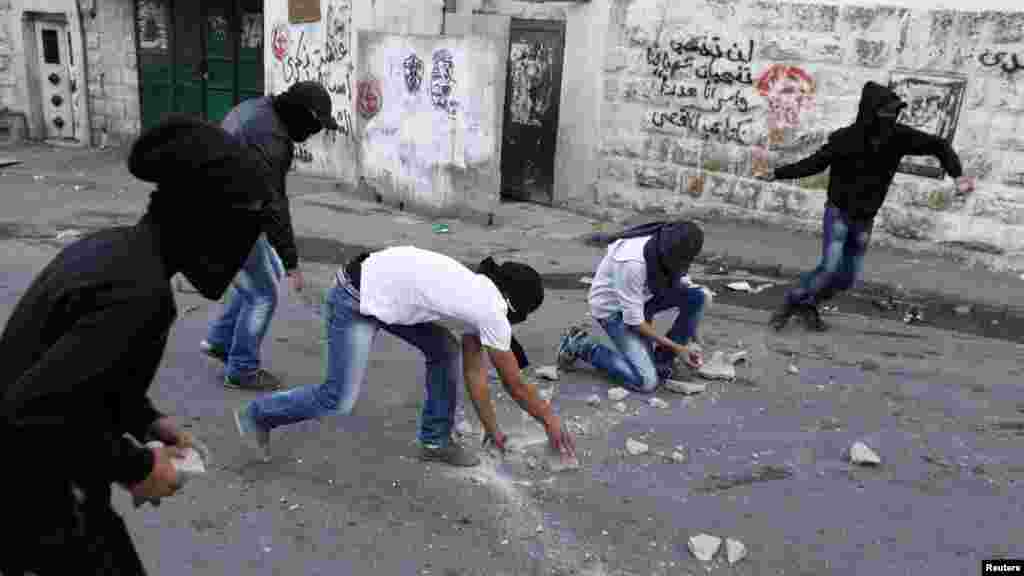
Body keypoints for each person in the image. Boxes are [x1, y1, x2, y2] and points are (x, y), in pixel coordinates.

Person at [0, 115, 272, 575]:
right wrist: (138, 466)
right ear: (205, 218)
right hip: (34, 501)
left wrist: (148, 422)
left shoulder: (118, 252)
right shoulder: (138, 294)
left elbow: (82, 380)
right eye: (241, 221)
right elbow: (32, 408)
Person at [233, 248, 577, 467]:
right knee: (337, 398)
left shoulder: (481, 296)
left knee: (444, 349)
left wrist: (493, 431)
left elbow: (475, 371)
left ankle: (434, 440)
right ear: (516, 307)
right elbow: (513, 382)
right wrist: (549, 419)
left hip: (384, 294)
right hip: (355, 297)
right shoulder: (491, 311)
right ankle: (257, 415)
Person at [758, 81, 976, 331]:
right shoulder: (845, 139)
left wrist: (957, 175)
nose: (891, 118)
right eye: (885, 112)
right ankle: (790, 304)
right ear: (870, 112)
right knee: (828, 269)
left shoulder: (898, 137)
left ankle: (810, 304)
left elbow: (939, 145)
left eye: (895, 113)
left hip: (864, 220)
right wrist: (777, 173)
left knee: (847, 278)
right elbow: (813, 164)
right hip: (839, 214)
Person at [201, 80, 340, 390]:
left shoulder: (256, 108)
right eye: (316, 125)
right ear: (303, 115)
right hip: (224, 217)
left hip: (223, 208)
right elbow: (274, 205)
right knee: (264, 294)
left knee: (258, 278)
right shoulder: (272, 139)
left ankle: (221, 340)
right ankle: (242, 369)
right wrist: (292, 263)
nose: (314, 134)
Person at [557, 220, 707, 393]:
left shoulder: (670, 248)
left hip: (643, 299)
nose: (683, 266)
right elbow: (635, 322)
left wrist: (695, 339)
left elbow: (683, 285)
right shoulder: (633, 263)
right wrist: (679, 348)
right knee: (646, 381)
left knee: (698, 296)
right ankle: (580, 344)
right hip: (614, 311)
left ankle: (662, 361)